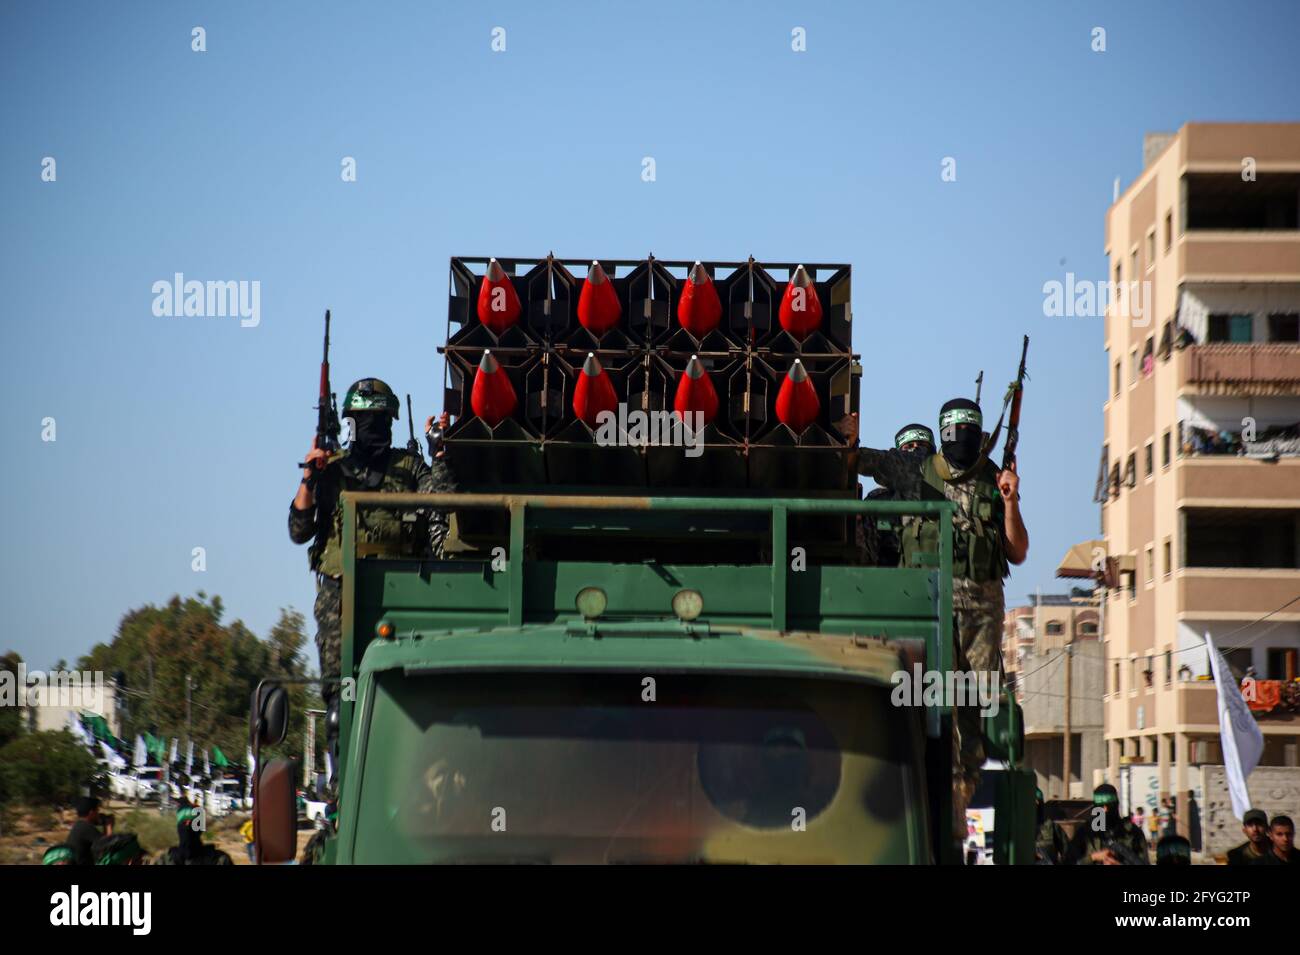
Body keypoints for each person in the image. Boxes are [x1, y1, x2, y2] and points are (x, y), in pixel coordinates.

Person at [842, 398, 1029, 858]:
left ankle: (957, 800)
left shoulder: (992, 480)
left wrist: (1010, 500)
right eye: (957, 429)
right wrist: (847, 437)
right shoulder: (917, 471)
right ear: (944, 433)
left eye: (972, 429)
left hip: (982, 611)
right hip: (931, 603)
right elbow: (863, 461)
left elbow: (1018, 550)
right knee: (928, 701)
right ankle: (920, 791)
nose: (964, 437)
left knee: (974, 703)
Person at [289, 379, 455, 766]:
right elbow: (299, 531)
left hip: (402, 593)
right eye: (364, 420)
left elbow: (443, 503)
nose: (372, 427)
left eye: (378, 419)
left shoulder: (409, 467)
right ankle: (342, 784)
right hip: (340, 595)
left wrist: (440, 452)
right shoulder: (331, 469)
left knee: (407, 694)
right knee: (339, 699)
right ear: (349, 422)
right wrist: (309, 477)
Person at [864, 424, 935, 567]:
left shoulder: (947, 491)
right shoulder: (879, 500)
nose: (915, 449)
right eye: (908, 446)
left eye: (922, 445)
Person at [1065, 783, 1149, 865]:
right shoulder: (1085, 833)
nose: (1104, 811)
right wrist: (1093, 857)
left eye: (1108, 806)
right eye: (1100, 807)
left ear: (1116, 805)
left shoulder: (1132, 833)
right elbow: (1068, 861)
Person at [67, 796, 105, 865]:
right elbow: (109, 848)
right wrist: (109, 826)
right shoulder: (86, 828)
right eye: (97, 811)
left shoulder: (80, 825)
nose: (98, 814)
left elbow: (104, 842)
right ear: (91, 812)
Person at [1034, 788, 1068, 865]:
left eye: (1038, 801)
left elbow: (1067, 851)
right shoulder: (1016, 828)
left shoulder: (1050, 826)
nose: (1036, 803)